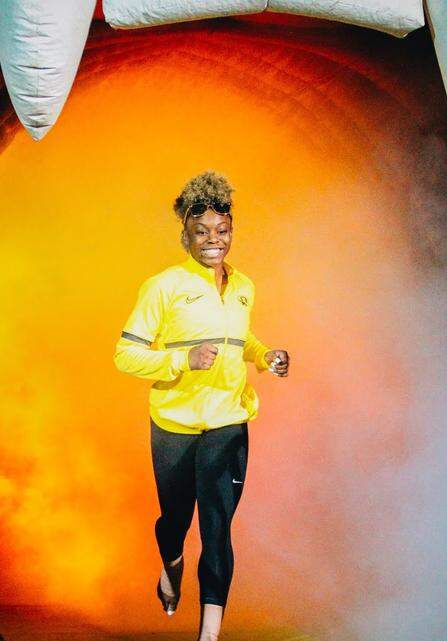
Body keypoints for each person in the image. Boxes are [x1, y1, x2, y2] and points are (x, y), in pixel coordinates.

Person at [113, 170, 290, 641]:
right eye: (202, 232)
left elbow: (241, 338)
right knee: (175, 522)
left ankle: (209, 633)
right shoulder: (163, 286)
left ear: (232, 231)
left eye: (223, 231)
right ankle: (171, 564)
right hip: (174, 425)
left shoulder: (245, 285)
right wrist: (182, 359)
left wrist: (264, 356)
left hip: (229, 422)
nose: (214, 240)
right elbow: (124, 354)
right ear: (185, 235)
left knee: (217, 526)